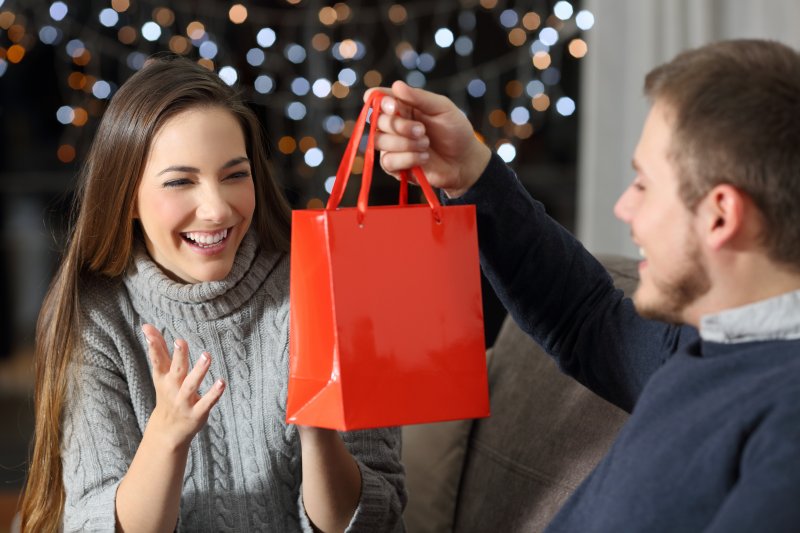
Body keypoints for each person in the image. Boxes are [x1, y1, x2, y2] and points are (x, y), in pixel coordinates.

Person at [370, 38, 800, 531]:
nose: (625, 207)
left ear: (721, 215)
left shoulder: (785, 429)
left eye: (644, 184)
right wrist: (470, 172)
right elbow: (585, 317)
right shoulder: (710, 341)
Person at [20, 55, 405, 533]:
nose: (217, 207)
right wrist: (167, 436)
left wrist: (318, 432)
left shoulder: (328, 283)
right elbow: (90, 524)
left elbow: (379, 520)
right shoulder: (98, 315)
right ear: (128, 198)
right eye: (181, 181)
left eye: (234, 175)